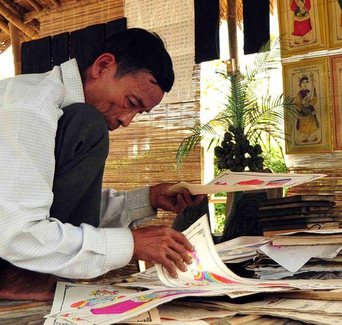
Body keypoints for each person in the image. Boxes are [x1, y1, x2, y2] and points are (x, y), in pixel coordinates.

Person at [0, 28, 203, 301]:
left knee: (84, 125)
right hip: (8, 247)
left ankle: (27, 274)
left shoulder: (64, 115)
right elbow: (17, 232)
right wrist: (130, 245)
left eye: (138, 112)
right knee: (87, 124)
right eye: (130, 102)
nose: (127, 120)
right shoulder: (31, 107)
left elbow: (57, 208)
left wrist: (149, 199)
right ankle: (18, 277)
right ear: (103, 66)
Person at [295, 75, 320, 143]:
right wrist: (301, 110)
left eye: (306, 82)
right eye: (303, 82)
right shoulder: (299, 94)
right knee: (303, 126)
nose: (305, 84)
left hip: (309, 110)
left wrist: (310, 105)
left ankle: (312, 137)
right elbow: (297, 103)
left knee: (312, 124)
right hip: (303, 112)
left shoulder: (309, 92)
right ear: (300, 84)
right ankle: (304, 138)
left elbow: (314, 99)